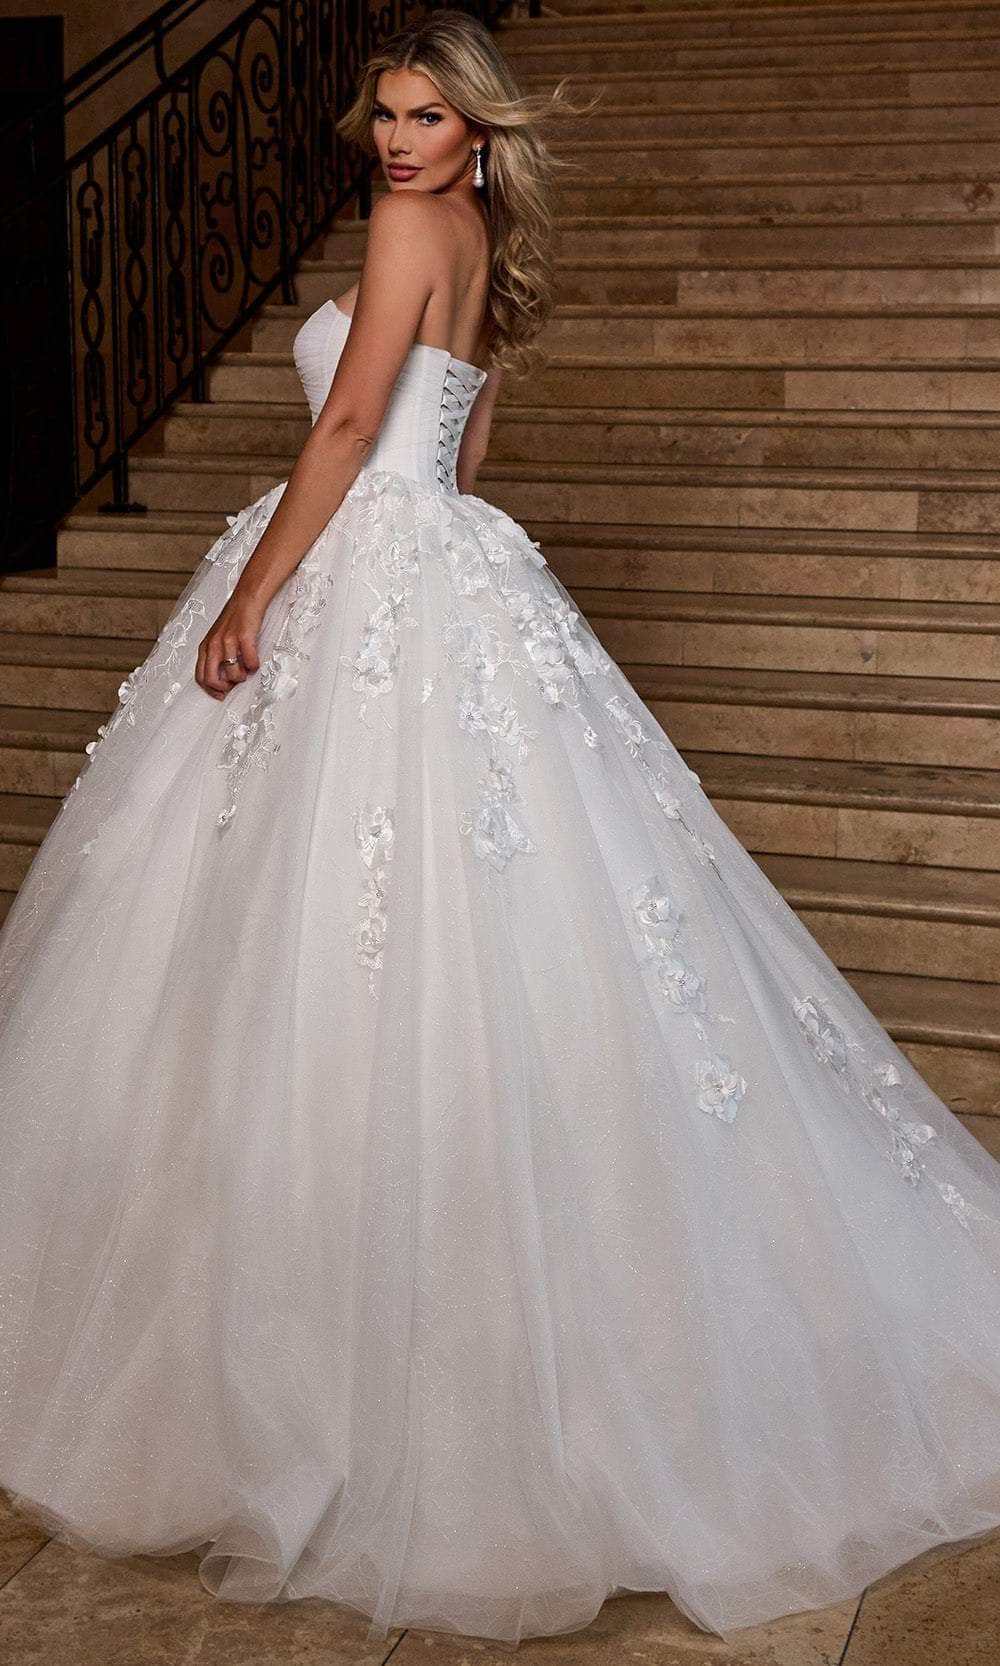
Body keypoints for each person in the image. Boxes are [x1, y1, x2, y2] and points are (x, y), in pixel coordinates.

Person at [1, 8, 1000, 1652]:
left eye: (426, 115)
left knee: (313, 941)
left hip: (363, 569)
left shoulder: (409, 229)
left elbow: (349, 432)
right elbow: (462, 453)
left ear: (476, 126)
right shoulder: (477, 241)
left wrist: (255, 596)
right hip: (445, 567)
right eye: (385, 115)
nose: (398, 141)